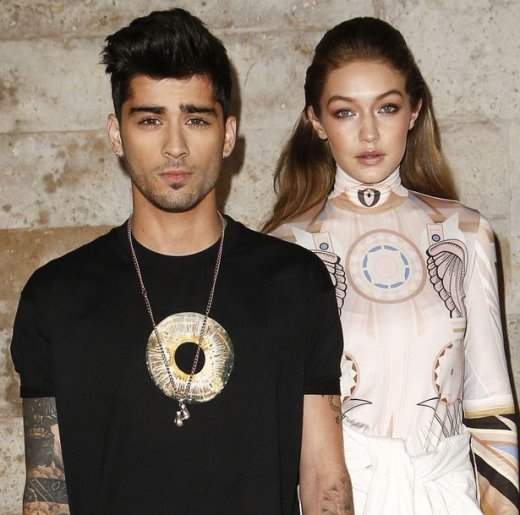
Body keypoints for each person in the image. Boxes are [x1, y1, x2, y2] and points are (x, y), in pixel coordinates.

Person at [11, 9, 354, 515]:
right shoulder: (55, 297)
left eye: (196, 119)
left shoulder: (296, 283)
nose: (175, 147)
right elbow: (46, 491)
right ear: (116, 134)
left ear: (228, 134)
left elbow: (326, 479)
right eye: (150, 120)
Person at [265, 17, 519, 515]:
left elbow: (491, 410)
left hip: (447, 496)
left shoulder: (466, 234)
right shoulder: (284, 248)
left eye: (386, 107)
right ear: (317, 121)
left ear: (414, 110)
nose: (368, 132)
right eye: (344, 112)